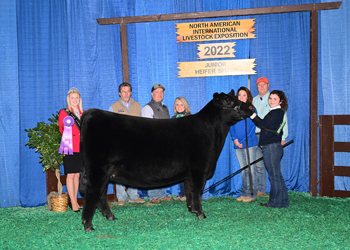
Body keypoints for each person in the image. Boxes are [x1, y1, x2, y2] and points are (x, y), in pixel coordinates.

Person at [250, 90, 290, 208]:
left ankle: (274, 203)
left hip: (271, 147)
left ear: (281, 101)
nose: (271, 101)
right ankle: (283, 202)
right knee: (277, 175)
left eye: (275, 99)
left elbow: (262, 124)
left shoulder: (276, 112)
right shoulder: (276, 112)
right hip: (273, 147)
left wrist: (252, 114)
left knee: (274, 176)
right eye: (270, 98)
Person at [108, 82, 146, 206]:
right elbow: (110, 128)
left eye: (128, 91)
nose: (126, 93)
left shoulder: (137, 106)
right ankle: (121, 197)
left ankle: (134, 195)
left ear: (131, 92)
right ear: (119, 93)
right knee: (119, 170)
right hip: (120, 144)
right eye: (123, 91)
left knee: (134, 169)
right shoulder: (113, 107)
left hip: (135, 143)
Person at [141, 84, 173, 204]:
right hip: (153, 144)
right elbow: (146, 129)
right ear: (152, 94)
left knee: (162, 169)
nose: (160, 94)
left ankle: (161, 194)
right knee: (153, 170)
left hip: (164, 144)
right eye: (157, 92)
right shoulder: (147, 108)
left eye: (161, 92)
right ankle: (153, 195)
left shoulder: (165, 108)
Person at [230, 87, 258, 203]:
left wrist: (241, 140)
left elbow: (252, 127)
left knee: (251, 169)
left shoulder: (251, 109)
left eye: (244, 95)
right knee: (244, 170)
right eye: (239, 95)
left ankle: (252, 194)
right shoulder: (234, 110)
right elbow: (230, 124)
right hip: (238, 144)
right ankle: (245, 192)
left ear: (248, 97)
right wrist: (235, 139)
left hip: (249, 143)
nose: (241, 97)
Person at [58, 87, 83, 212]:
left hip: (81, 147)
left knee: (77, 174)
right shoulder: (64, 112)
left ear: (79, 99)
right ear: (69, 99)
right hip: (69, 146)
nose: (75, 100)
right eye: (72, 98)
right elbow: (62, 129)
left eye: (77, 98)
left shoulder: (83, 113)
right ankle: (73, 202)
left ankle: (76, 200)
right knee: (70, 174)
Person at [171, 97, 191, 202]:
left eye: (181, 104)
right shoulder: (173, 118)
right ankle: (182, 193)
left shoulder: (190, 118)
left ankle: (188, 194)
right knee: (179, 172)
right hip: (177, 149)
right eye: (177, 105)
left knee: (187, 173)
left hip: (187, 149)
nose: (179, 107)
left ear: (185, 106)